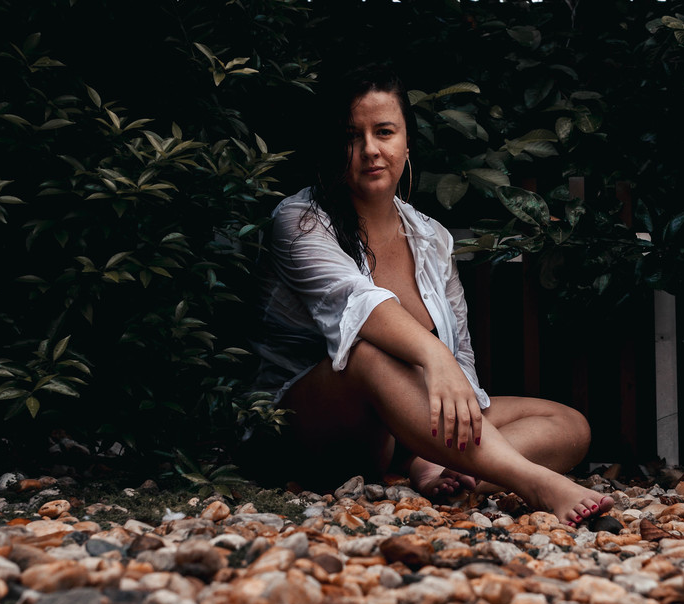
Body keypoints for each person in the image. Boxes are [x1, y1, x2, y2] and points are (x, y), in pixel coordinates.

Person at [250, 65, 612, 527]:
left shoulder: (431, 237)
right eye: (350, 136)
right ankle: (531, 480)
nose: (369, 151)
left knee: (567, 425)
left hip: (404, 429)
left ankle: (446, 468)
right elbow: (359, 307)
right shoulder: (301, 221)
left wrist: (448, 382)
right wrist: (434, 358)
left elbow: (459, 359)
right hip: (310, 428)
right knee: (366, 353)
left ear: (406, 142)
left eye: (384, 132)